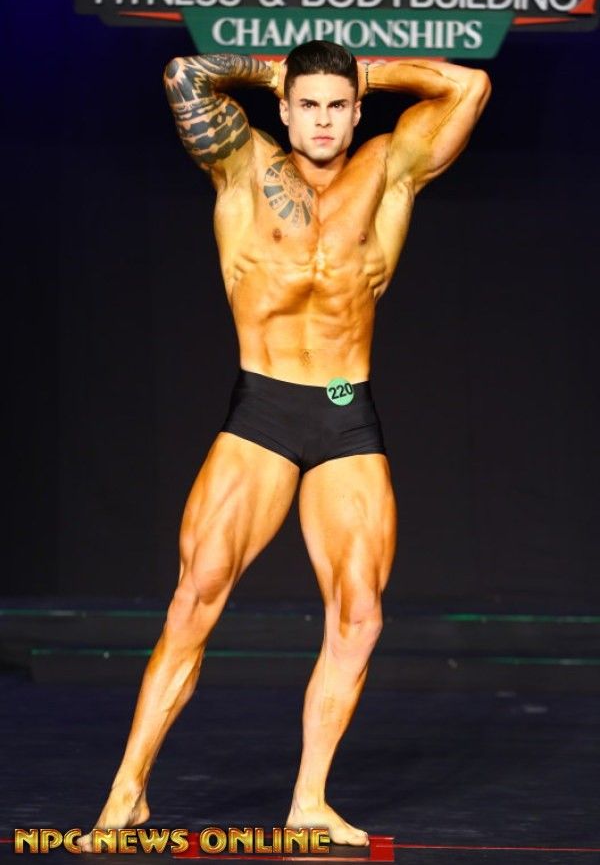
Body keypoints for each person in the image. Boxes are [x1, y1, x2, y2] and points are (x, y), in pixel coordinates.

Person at [79, 42, 490, 850]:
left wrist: (363, 69)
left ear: (357, 109)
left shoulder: (389, 168)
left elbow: (469, 85)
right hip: (263, 411)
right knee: (196, 595)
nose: (323, 120)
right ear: (285, 107)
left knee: (360, 615)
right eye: (309, 105)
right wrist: (276, 69)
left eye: (337, 105)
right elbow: (183, 75)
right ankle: (127, 794)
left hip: (344, 412)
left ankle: (309, 801)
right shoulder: (243, 163)